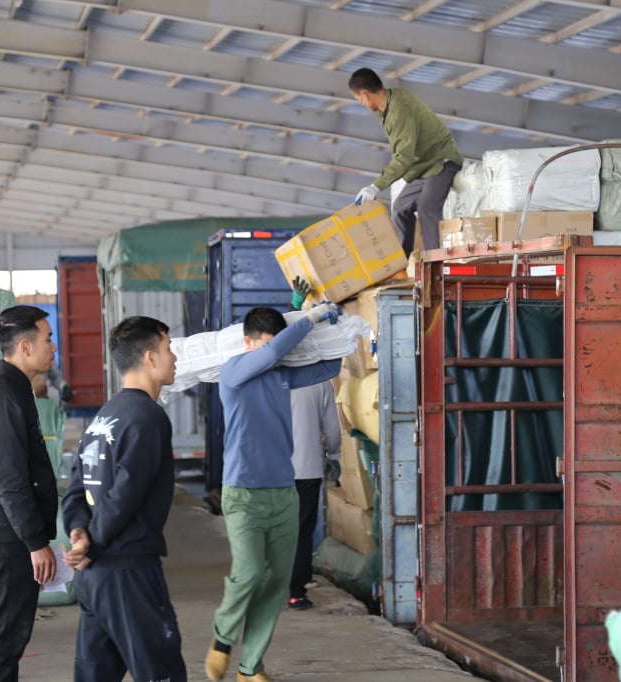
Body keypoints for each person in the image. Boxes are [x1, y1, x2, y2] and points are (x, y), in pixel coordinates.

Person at [205, 302, 342, 682]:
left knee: (275, 582)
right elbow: (276, 351)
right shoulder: (232, 373)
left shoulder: (282, 376)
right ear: (247, 342)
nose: (272, 354)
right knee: (248, 572)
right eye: (264, 346)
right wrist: (310, 318)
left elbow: (329, 368)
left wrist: (341, 333)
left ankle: (250, 668)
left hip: (283, 493)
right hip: (244, 493)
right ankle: (222, 636)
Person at [60, 316, 186, 682]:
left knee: (95, 674)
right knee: (160, 671)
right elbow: (124, 496)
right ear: (149, 357)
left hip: (94, 578)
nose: (174, 357)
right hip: (127, 570)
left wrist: (79, 532)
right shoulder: (148, 418)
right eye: (168, 348)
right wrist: (92, 545)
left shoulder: (104, 416)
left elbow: (75, 488)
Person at [0, 304, 60, 682]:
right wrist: (35, 542)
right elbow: (8, 478)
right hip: (8, 537)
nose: (53, 347)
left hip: (9, 533)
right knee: (6, 641)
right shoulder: (3, 395)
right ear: (24, 346)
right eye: (48, 339)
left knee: (11, 637)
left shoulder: (12, 390)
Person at [348, 66, 464, 257]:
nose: (360, 102)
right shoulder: (388, 106)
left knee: (427, 206)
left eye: (358, 99)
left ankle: (435, 263)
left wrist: (376, 186)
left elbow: (404, 157)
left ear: (365, 94)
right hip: (424, 167)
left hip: (441, 162)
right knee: (400, 207)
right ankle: (403, 260)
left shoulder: (399, 108)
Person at [286, 278, 342, 610]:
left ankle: (267, 587)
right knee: (302, 531)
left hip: (271, 471)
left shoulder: (269, 374)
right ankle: (296, 592)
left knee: (273, 531)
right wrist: (334, 458)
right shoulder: (320, 381)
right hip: (306, 470)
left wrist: (295, 307)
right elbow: (332, 429)